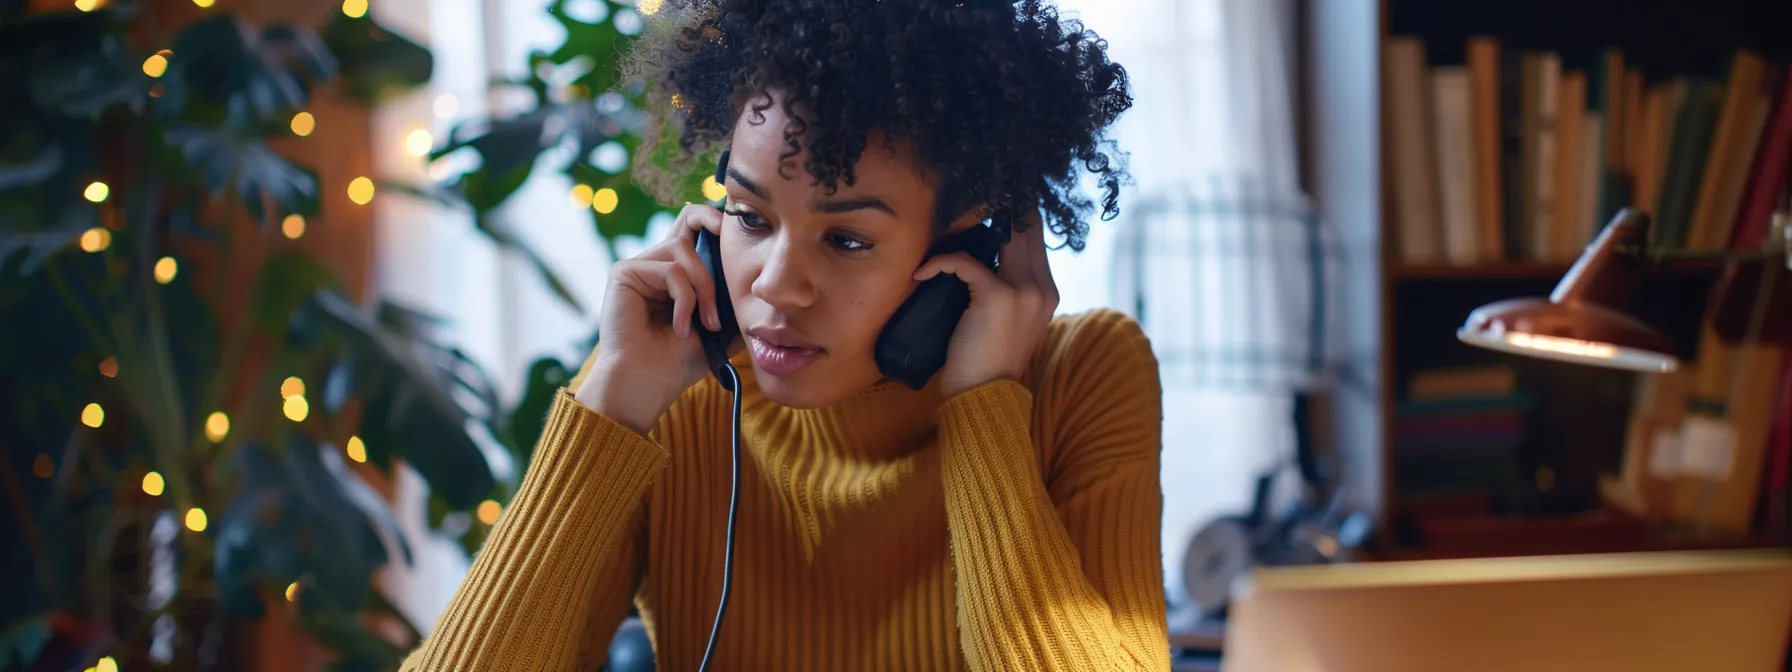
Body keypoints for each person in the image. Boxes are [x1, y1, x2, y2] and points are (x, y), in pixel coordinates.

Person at [401, 0, 1166, 669]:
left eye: (848, 241)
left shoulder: (1082, 376)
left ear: (965, 249)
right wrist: (613, 404)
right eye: (751, 218)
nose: (771, 284)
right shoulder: (673, 387)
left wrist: (983, 406)